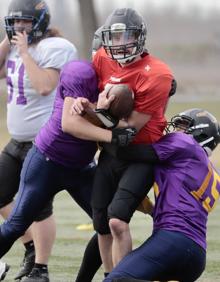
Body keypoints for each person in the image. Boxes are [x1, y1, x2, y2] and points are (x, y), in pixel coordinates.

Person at [0, 60, 136, 282]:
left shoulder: (126, 83)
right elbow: (69, 124)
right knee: (17, 224)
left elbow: (127, 124)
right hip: (47, 161)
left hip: (81, 167)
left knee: (110, 223)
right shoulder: (81, 72)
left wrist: (95, 110)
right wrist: (111, 134)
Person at [90, 7, 177, 275]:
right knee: (102, 224)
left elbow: (129, 129)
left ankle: (123, 277)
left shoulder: (157, 73)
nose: (120, 43)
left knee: (118, 221)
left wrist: (97, 112)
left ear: (139, 37)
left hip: (140, 152)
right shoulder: (101, 58)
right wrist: (84, 106)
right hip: (110, 151)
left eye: (125, 36)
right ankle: (110, 276)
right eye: (114, 37)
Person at [0, 0, 78, 280]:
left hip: (44, 143)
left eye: (26, 22)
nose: (19, 27)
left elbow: (45, 86)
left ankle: (40, 269)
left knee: (38, 206)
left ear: (41, 22)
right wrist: (8, 43)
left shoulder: (55, 47)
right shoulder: (13, 47)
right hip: (17, 141)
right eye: (14, 22)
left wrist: (24, 52)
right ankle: (31, 246)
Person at [103, 108, 220, 282]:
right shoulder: (213, 173)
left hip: (172, 241)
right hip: (196, 255)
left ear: (202, 133)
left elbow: (130, 153)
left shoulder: (185, 144)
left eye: (183, 125)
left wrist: (99, 133)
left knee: (117, 280)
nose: (176, 129)